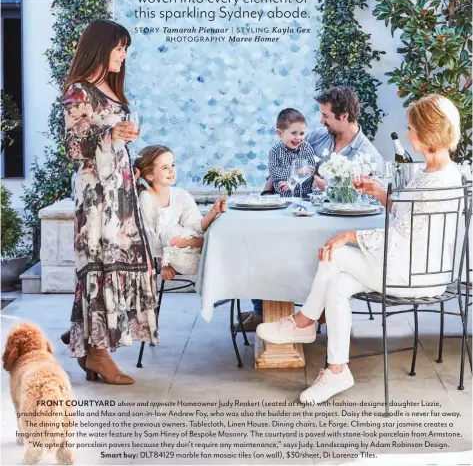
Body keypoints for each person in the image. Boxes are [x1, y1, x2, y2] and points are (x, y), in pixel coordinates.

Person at [256, 94, 462, 404]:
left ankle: (304, 322)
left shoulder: (437, 181)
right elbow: (409, 217)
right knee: (337, 283)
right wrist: (380, 192)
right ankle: (337, 369)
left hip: (416, 273)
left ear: (429, 131)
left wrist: (351, 235)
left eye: (411, 128)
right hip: (412, 264)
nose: (407, 134)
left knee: (334, 252)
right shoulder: (435, 172)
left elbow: (405, 235)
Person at [61, 19, 157, 385]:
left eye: (125, 48)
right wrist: (110, 133)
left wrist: (122, 142)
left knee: (124, 261)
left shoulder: (111, 90)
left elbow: (115, 141)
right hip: (96, 194)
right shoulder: (78, 92)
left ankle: (84, 335)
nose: (124, 55)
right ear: (101, 48)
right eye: (119, 48)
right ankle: (97, 352)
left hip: (120, 190)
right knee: (99, 265)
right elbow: (73, 147)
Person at [245, 87, 382, 333]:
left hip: (334, 227)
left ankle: (315, 311)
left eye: (326, 115)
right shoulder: (317, 137)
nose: (320, 120)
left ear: (344, 116)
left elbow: (367, 199)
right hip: (296, 215)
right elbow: (285, 162)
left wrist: (329, 187)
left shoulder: (367, 155)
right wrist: (268, 192)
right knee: (262, 241)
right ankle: (263, 309)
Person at [135, 145, 227, 279]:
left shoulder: (181, 195)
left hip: (197, 253)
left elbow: (195, 225)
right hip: (175, 257)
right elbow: (150, 235)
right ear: (149, 175)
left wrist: (213, 211)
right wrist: (164, 264)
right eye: (165, 167)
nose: (171, 171)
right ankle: (212, 243)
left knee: (185, 233)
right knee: (170, 233)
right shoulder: (146, 198)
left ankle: (212, 246)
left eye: (172, 165)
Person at [268, 108, 318, 198]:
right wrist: (299, 170)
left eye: (302, 133)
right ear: (279, 133)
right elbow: (274, 173)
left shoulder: (306, 147)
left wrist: (292, 182)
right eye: (293, 133)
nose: (298, 137)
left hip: (305, 197)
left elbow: (311, 171)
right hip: (282, 198)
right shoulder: (275, 151)